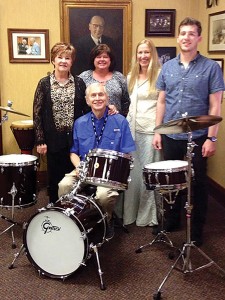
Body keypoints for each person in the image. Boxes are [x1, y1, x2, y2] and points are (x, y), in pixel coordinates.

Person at [152, 17, 225, 246]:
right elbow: (162, 102)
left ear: (199, 38)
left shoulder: (211, 68)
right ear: (177, 37)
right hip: (171, 134)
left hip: (198, 137)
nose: (186, 37)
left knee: (198, 183)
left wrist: (212, 137)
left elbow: (215, 105)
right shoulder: (167, 67)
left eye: (191, 34)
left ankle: (196, 229)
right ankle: (172, 220)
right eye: (183, 33)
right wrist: (157, 131)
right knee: (170, 182)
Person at [58, 82, 136, 240]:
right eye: (93, 95)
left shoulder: (120, 121)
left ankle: (106, 221)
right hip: (84, 169)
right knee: (64, 185)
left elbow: (127, 153)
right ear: (87, 100)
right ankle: (71, 220)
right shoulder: (80, 123)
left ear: (107, 98)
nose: (97, 98)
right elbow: (74, 152)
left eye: (101, 95)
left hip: (109, 173)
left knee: (103, 196)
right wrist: (78, 166)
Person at [33, 42, 90, 204]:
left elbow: (87, 110)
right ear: (53, 60)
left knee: (74, 177)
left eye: (67, 58)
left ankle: (73, 210)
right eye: (60, 57)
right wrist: (40, 140)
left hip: (75, 139)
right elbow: (37, 113)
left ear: (72, 61)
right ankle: (54, 209)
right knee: (55, 178)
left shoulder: (79, 83)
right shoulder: (44, 83)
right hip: (53, 139)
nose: (63, 61)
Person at [123, 39, 162, 229]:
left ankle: (148, 216)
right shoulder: (131, 76)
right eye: (140, 53)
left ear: (152, 54)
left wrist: (158, 132)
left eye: (147, 52)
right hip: (132, 130)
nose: (143, 56)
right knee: (134, 173)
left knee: (148, 173)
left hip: (150, 131)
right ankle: (130, 212)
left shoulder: (160, 76)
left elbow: (164, 105)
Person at [79, 44, 130, 117]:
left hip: (115, 122)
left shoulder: (119, 78)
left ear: (110, 60)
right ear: (93, 59)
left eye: (105, 57)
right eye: (98, 57)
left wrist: (120, 116)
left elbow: (126, 101)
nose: (102, 59)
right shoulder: (83, 78)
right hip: (90, 123)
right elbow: (80, 103)